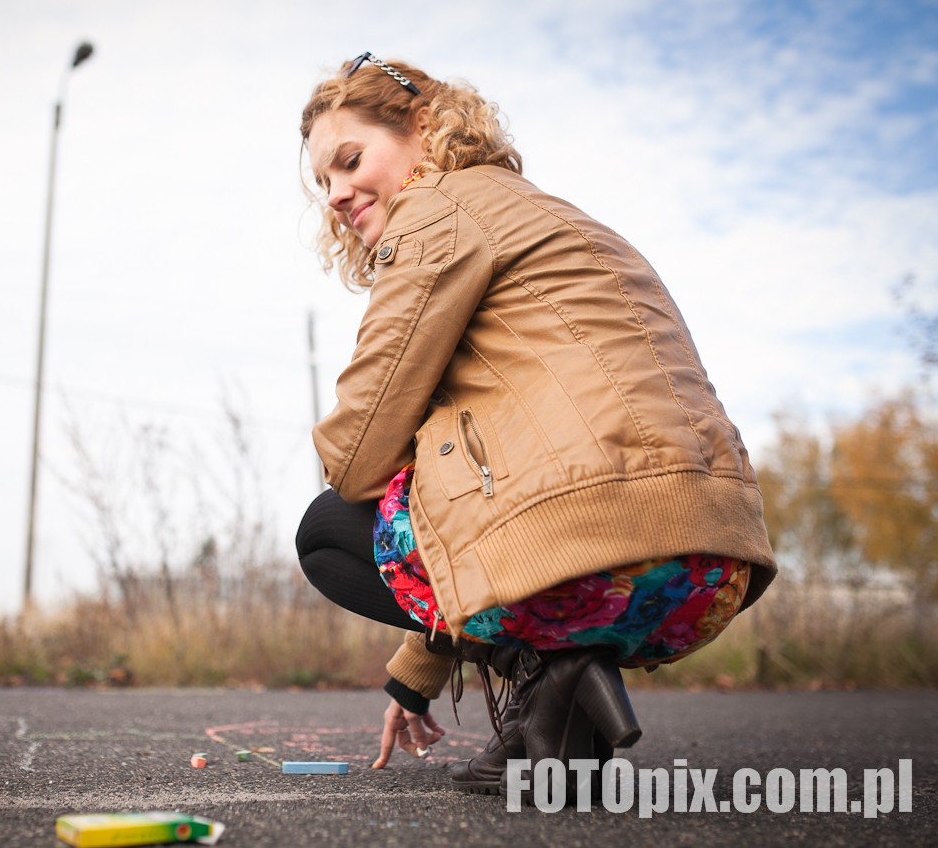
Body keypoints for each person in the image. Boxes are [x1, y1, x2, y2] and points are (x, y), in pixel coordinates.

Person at [295, 53, 778, 798]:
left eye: (350, 160)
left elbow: (357, 452)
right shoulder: (552, 216)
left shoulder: (441, 212)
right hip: (705, 571)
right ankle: (554, 706)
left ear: (422, 128)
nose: (335, 193)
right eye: (322, 181)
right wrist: (418, 671)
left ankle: (548, 675)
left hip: (592, 556)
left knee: (330, 527)